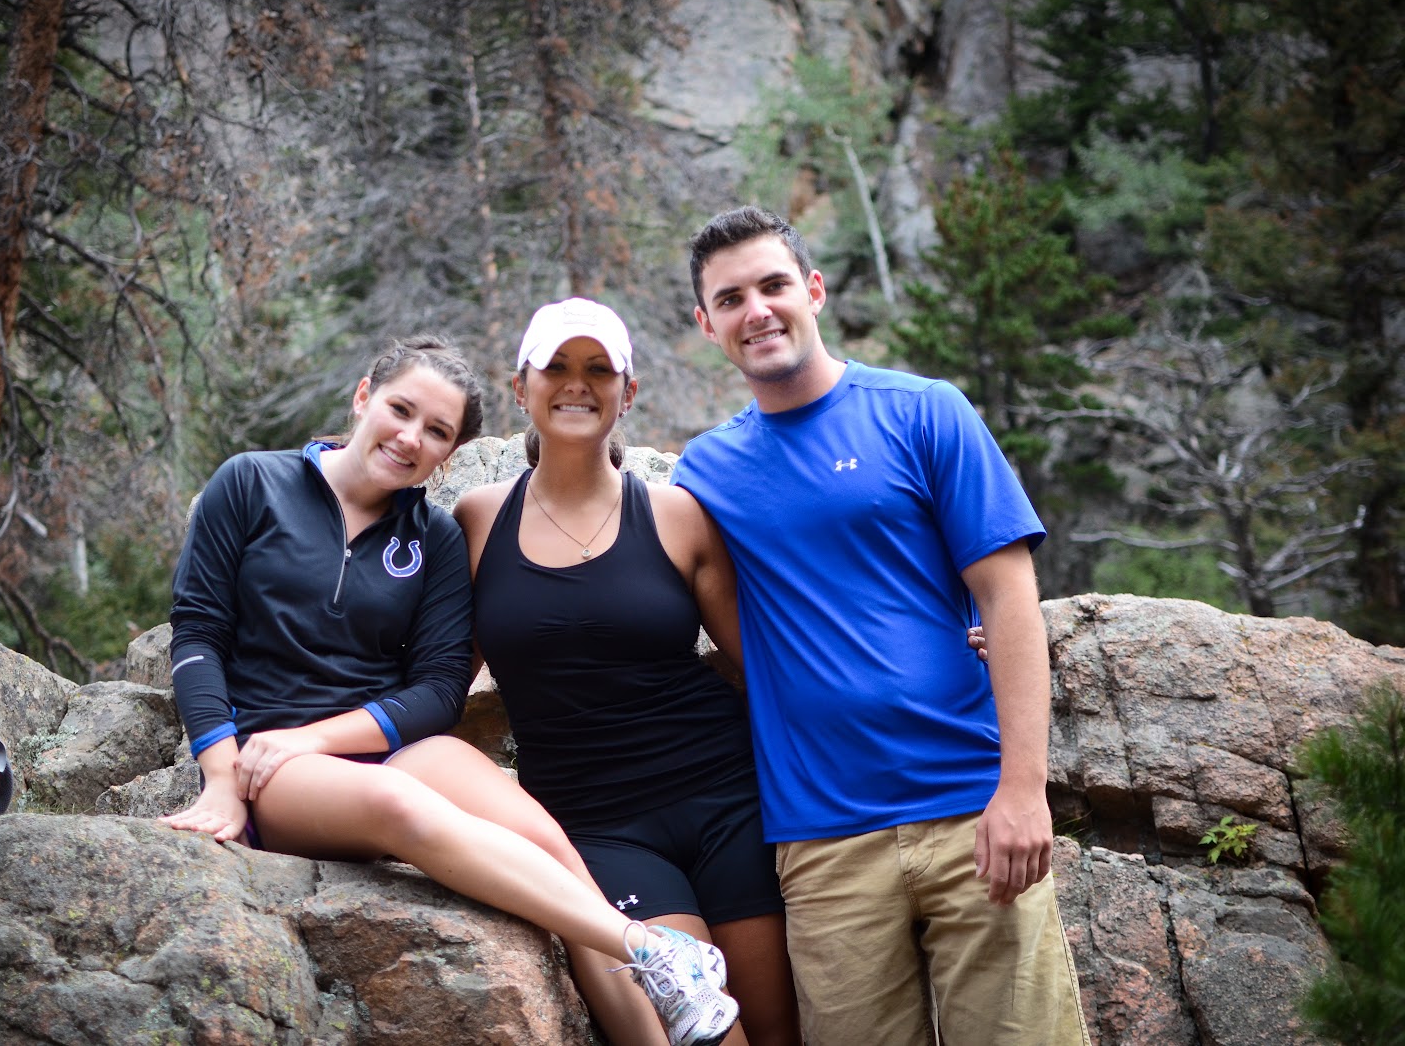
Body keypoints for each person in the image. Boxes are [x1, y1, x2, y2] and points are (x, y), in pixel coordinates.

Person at [159, 334, 739, 1046]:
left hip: (371, 744)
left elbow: (438, 692)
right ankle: (649, 947)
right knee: (398, 803)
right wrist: (221, 778)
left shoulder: (434, 536)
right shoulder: (251, 483)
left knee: (553, 848)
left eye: (436, 431)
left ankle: (663, 1018)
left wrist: (318, 737)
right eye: (401, 410)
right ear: (364, 396)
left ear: (449, 454)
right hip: (270, 763)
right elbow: (197, 635)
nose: (410, 438)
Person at [670, 207, 1089, 1046]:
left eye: (774, 286)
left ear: (814, 291)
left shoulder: (924, 411)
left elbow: (1009, 596)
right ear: (707, 324)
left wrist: (1022, 790)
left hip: (972, 810)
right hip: (823, 843)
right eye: (731, 298)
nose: (757, 311)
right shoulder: (705, 473)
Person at [454, 298, 801, 1046]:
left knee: (780, 1033)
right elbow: (439, 685)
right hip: (596, 827)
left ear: (628, 392)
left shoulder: (677, 515)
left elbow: (767, 663)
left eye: (598, 369)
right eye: (555, 367)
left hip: (729, 803)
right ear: (520, 388)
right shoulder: (478, 522)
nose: (576, 384)